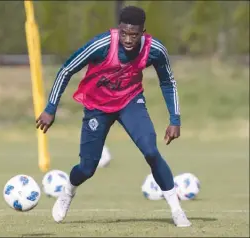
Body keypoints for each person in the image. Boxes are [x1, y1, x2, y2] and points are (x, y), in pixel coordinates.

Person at [36, 6, 191, 227]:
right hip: (97, 106)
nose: (128, 39)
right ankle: (68, 191)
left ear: (143, 32)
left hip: (130, 102)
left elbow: (168, 82)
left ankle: (177, 211)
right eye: (125, 33)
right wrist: (50, 108)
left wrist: (175, 119)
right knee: (87, 168)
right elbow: (66, 70)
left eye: (134, 35)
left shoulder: (155, 49)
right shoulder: (101, 44)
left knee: (151, 150)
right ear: (119, 29)